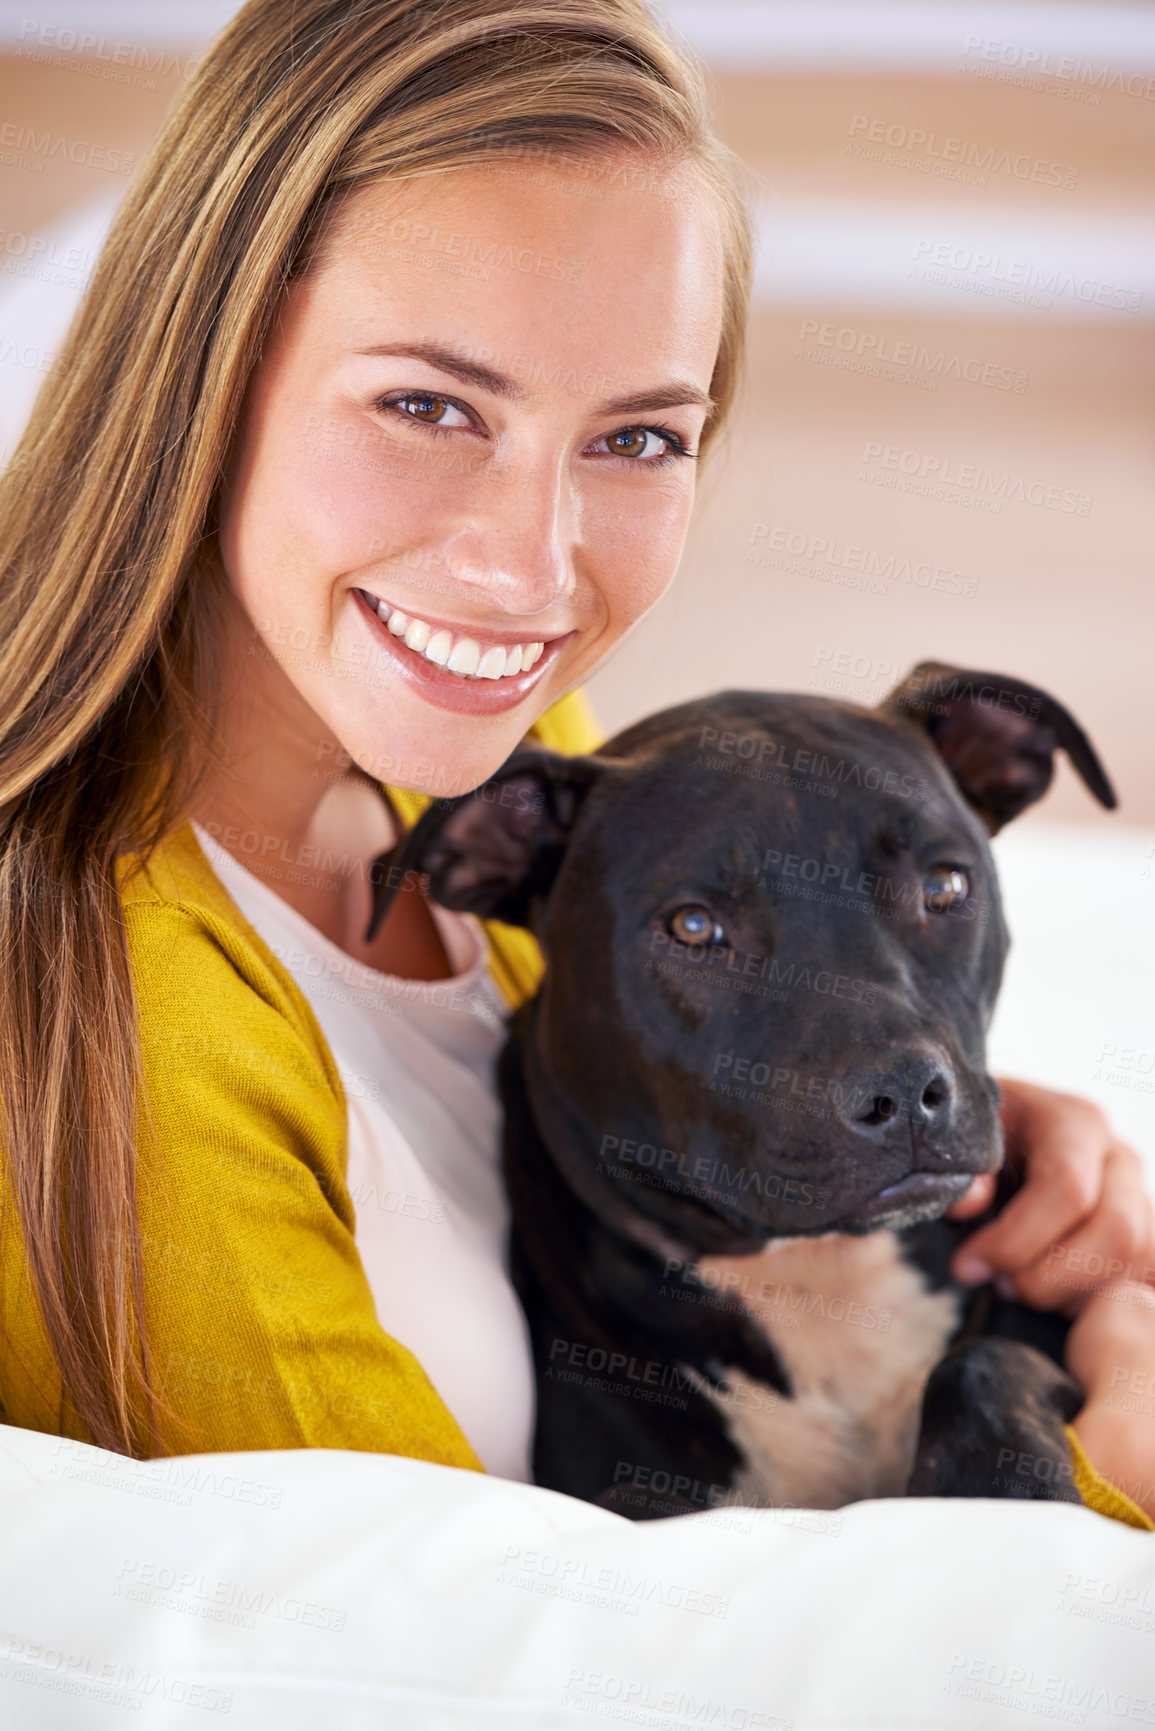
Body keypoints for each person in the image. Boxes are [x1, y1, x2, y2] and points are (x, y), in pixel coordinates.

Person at [0, 0, 1151, 1527]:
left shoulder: (483, 749)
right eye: (427, 405)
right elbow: (433, 1661)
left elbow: (648, 1044)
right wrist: (1110, 1480)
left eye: (638, 439)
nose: (528, 569)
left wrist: (935, 1119)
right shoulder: (116, 1033)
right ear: (199, 368)